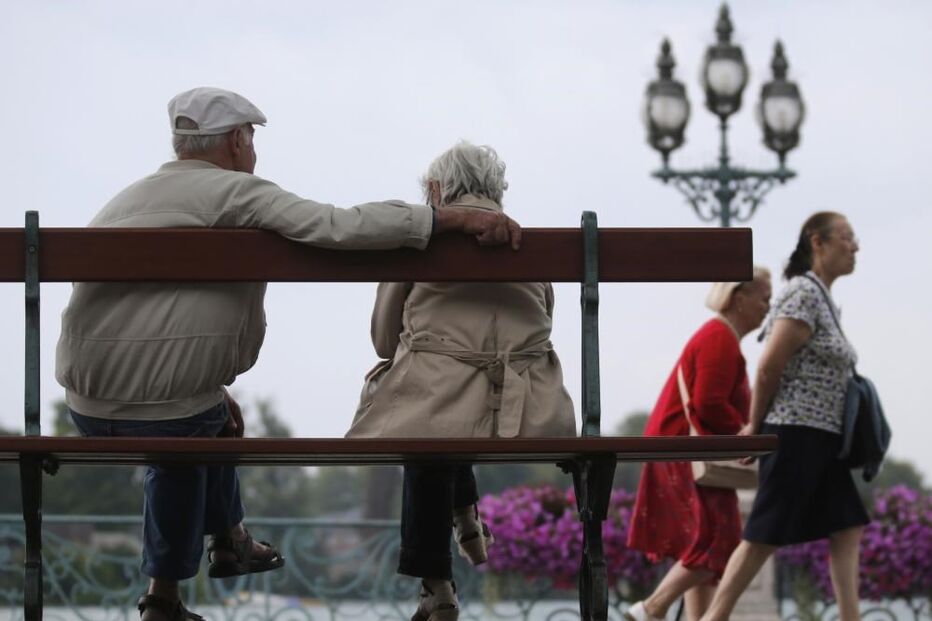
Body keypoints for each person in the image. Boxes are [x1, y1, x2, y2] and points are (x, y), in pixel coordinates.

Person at [55, 88, 521, 621]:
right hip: (170, 416)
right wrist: (450, 220)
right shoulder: (238, 194)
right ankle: (171, 591)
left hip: (84, 406)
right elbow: (339, 227)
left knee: (210, 420)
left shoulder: (122, 202)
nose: (253, 151)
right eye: (251, 138)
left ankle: (226, 542)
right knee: (185, 437)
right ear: (235, 140)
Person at [346, 141, 576, 621]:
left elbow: (384, 340)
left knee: (428, 420)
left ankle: (437, 588)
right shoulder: (531, 248)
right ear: (496, 191)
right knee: (455, 408)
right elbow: (543, 325)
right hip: (525, 418)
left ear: (435, 191)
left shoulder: (419, 242)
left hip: (436, 412)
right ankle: (466, 520)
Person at [698, 212, 869, 621]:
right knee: (763, 534)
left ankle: (851, 616)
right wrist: (755, 427)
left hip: (824, 438)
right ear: (818, 242)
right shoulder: (803, 294)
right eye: (846, 237)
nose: (855, 246)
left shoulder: (821, 297)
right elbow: (768, 365)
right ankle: (712, 618)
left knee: (847, 525)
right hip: (796, 433)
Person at [624, 268, 772, 621]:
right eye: (765, 298)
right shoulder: (719, 338)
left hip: (678, 449)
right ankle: (651, 608)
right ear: (740, 299)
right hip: (686, 452)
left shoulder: (719, 336)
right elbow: (708, 403)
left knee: (701, 542)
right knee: (719, 542)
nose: (769, 306)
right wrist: (743, 433)